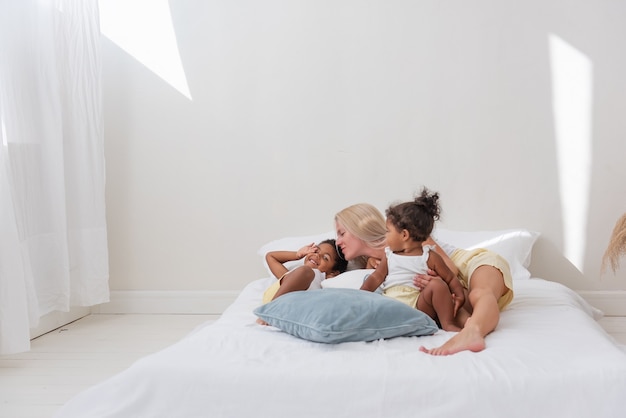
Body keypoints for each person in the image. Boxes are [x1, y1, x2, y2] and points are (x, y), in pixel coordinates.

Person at [335, 192, 514, 356]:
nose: (338, 241)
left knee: (480, 293)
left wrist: (437, 282)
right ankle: (467, 327)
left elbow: (450, 270)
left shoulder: (415, 238)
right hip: (448, 289)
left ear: (359, 229)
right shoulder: (378, 262)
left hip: (466, 264)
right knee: (465, 302)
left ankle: (472, 333)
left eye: (342, 233)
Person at [360, 188, 469, 331]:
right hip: (392, 304)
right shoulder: (389, 256)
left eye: (388, 231)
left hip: (419, 307)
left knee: (437, 284)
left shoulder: (429, 256)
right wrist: (360, 295)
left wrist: (460, 296)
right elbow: (376, 278)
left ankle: (448, 323)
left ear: (404, 235)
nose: (385, 236)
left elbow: (450, 278)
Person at [261, 239, 348, 304]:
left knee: (306, 271)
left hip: (281, 308)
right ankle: (270, 310)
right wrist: (297, 255)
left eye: (325, 258)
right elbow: (270, 256)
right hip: (272, 305)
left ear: (333, 272)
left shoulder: (320, 280)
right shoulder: (289, 277)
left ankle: (270, 310)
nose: (317, 255)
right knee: (303, 271)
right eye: (316, 251)